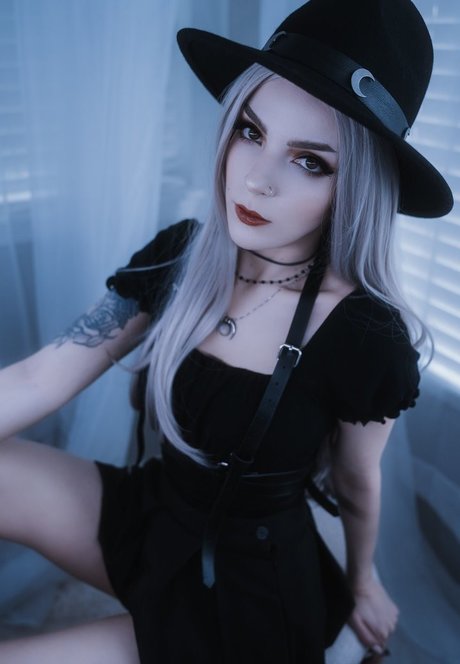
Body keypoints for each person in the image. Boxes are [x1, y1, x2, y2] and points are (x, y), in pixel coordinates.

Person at [0, 0, 453, 662]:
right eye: (250, 131)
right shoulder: (181, 256)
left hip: (245, 587)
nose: (257, 179)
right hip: (154, 515)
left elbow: (357, 484)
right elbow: (42, 376)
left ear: (355, 186)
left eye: (310, 161)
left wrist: (363, 583)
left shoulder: (363, 334)